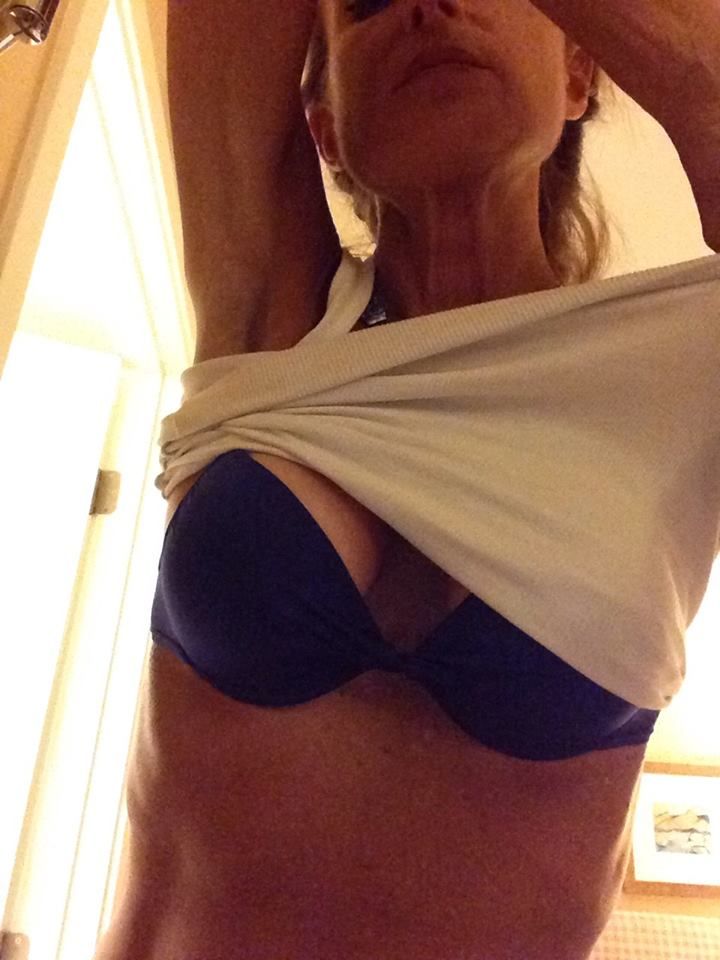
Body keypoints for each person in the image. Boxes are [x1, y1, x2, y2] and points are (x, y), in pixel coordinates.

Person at [94, 1, 720, 958]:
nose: (427, 6)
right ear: (327, 132)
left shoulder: (678, 381)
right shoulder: (273, 330)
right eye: (371, 2)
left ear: (578, 74)